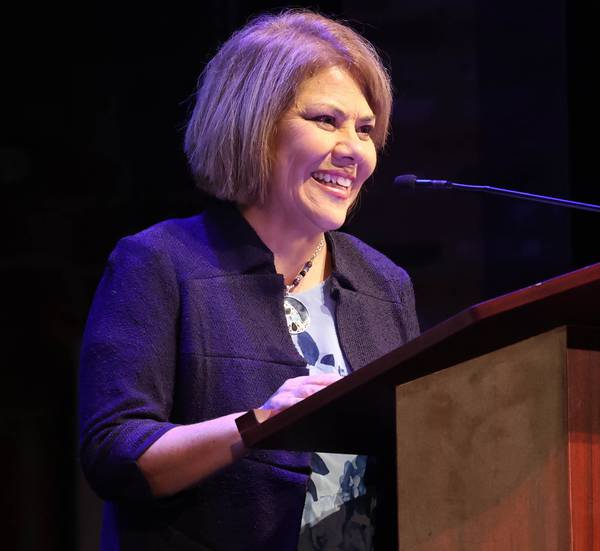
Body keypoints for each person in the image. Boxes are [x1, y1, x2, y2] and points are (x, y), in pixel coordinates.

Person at [78, 10, 419, 551]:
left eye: (365, 129)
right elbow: (116, 454)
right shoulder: (161, 262)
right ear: (253, 125)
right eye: (326, 120)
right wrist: (259, 423)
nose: (354, 150)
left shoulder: (384, 284)